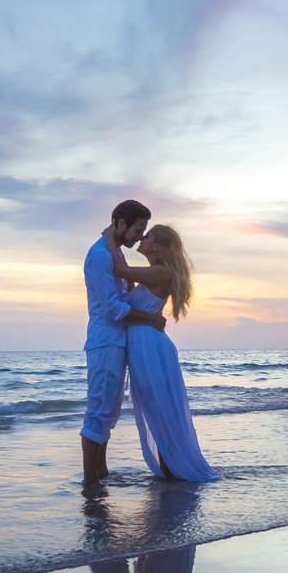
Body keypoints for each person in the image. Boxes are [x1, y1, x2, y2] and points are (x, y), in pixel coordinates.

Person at [101, 223, 221, 481]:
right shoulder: (154, 273)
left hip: (150, 347)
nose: (142, 238)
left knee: (158, 408)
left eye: (147, 236)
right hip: (145, 344)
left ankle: (174, 471)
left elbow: (119, 270)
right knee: (155, 407)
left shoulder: (160, 272)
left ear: (156, 246)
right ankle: (172, 470)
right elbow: (127, 284)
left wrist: (110, 239)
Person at [81, 200, 166, 491]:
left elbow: (125, 294)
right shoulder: (100, 256)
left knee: (110, 411)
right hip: (106, 341)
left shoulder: (115, 253)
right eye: (138, 230)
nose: (140, 237)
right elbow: (113, 308)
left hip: (117, 341)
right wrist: (152, 319)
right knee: (99, 409)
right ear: (121, 224)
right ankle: (90, 481)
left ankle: (101, 472)